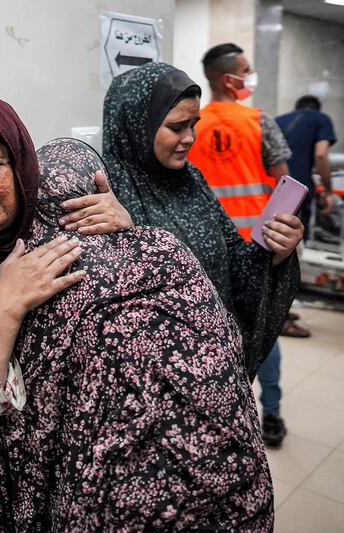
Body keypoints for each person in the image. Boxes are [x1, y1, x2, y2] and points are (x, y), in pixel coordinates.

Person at [0, 93, 271, 531]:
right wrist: (6, 306)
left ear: (18, 165)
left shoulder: (51, 220)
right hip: (4, 487)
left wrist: (124, 228)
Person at [105, 61, 302, 451]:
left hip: (217, 380)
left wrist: (275, 251)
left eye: (193, 123)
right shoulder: (107, 192)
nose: (190, 138)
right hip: (151, 404)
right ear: (135, 126)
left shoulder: (190, 180)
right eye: (177, 127)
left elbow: (234, 260)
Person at [184, 43, 301, 446]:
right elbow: (286, 185)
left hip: (207, 248)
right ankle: (271, 414)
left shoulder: (190, 123)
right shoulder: (259, 121)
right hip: (260, 245)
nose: (250, 77)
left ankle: (223, 415)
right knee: (262, 328)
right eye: (246, 70)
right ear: (228, 78)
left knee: (212, 332)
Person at [276, 94, 338, 240]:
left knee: (273, 235)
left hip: (273, 186)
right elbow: (321, 155)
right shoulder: (321, 119)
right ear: (317, 108)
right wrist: (328, 192)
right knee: (296, 239)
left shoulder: (277, 121)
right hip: (299, 187)